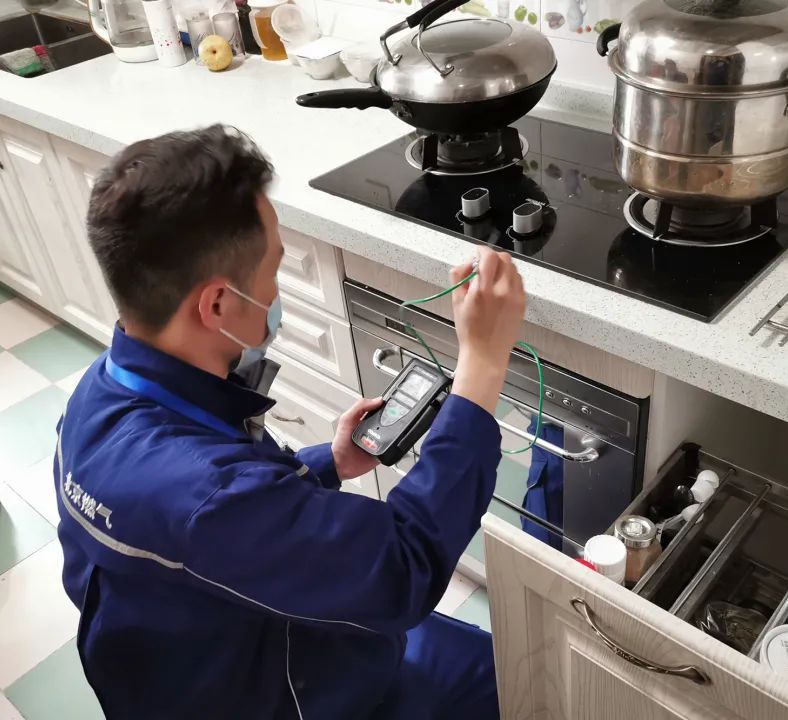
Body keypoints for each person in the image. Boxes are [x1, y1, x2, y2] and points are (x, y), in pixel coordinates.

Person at [54, 124, 527, 720]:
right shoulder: (208, 497)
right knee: (519, 681)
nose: (276, 290)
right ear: (217, 304)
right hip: (283, 691)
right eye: (272, 270)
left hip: (203, 653)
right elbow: (403, 568)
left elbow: (219, 522)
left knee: (496, 666)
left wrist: (326, 464)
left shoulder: (99, 393)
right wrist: (482, 364)